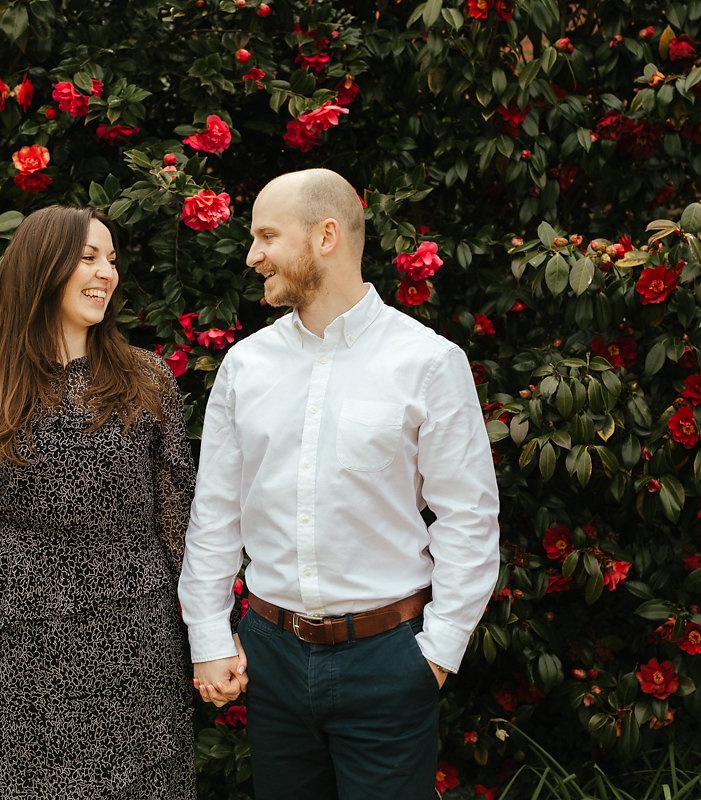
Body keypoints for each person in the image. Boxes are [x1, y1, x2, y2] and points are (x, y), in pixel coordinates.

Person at [179, 169, 501, 799]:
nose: (253, 256)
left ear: (326, 235)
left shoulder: (429, 363)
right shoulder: (246, 367)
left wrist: (434, 656)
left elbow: (468, 519)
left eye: (267, 236)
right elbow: (215, 515)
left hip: (388, 658)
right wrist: (210, 637)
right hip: (269, 657)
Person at [0, 205, 197, 799]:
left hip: (135, 633)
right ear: (44, 268)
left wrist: (214, 637)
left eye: (113, 260)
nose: (108, 273)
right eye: (90, 257)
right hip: (24, 638)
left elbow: (178, 515)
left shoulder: (147, 380)